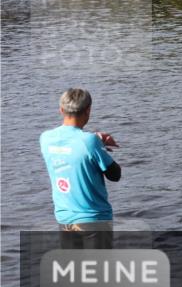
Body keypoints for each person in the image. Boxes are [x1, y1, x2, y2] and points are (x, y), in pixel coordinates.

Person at [39, 89, 121, 250]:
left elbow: (71, 148)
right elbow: (115, 175)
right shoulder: (89, 142)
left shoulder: (45, 138)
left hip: (65, 219)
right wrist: (99, 146)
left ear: (61, 110)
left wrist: (97, 140)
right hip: (93, 220)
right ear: (88, 110)